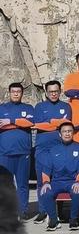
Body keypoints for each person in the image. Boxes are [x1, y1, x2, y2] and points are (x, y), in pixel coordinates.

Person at [40, 122, 79, 231]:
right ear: (60, 134)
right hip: (56, 182)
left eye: (69, 131)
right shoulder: (53, 149)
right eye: (64, 131)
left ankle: (73, 219)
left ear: (73, 133)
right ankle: (54, 220)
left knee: (77, 191)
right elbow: (46, 168)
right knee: (45, 192)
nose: (67, 134)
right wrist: (46, 182)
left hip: (72, 181)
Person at [33, 80, 72, 223]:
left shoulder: (66, 106)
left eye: (56, 91)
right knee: (41, 180)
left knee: (58, 179)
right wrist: (56, 123)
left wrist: (49, 123)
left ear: (60, 91)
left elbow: (66, 126)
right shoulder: (39, 107)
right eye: (50, 92)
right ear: (46, 92)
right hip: (42, 149)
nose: (53, 94)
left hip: (60, 149)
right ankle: (43, 211)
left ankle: (59, 211)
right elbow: (37, 125)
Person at [0, 83, 34, 219]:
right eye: (13, 91)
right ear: (9, 93)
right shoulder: (2, 108)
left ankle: (22, 211)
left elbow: (30, 123)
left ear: (22, 93)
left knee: (23, 184)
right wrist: (19, 123)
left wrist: (10, 121)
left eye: (18, 91)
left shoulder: (28, 108)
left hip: (23, 152)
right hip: (5, 153)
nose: (16, 94)